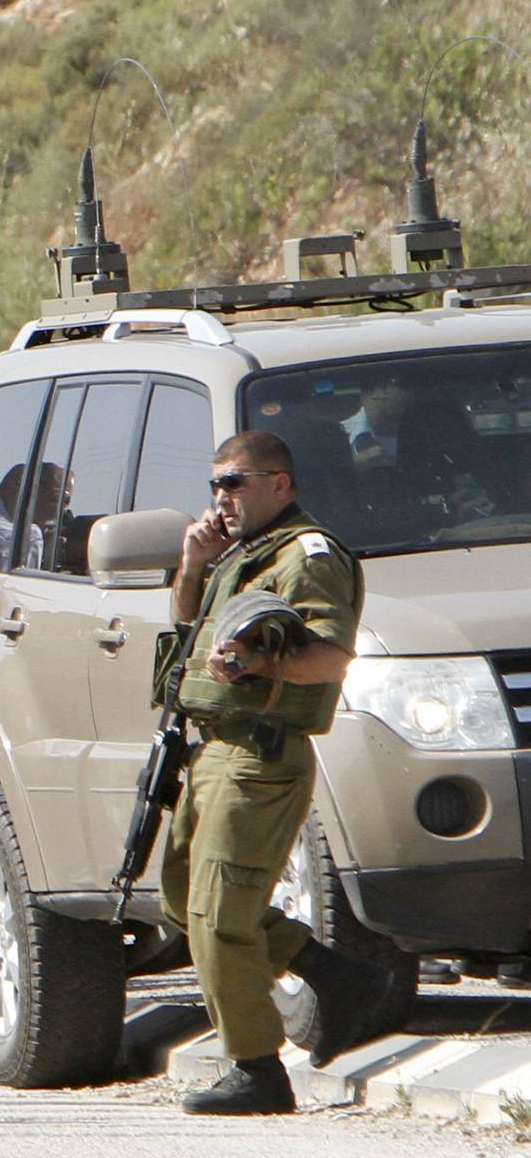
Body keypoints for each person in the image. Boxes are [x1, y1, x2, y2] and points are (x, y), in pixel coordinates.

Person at [161, 431, 406, 1114]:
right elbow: (188, 634)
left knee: (218, 917)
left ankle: (257, 1069)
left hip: (259, 756)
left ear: (281, 484)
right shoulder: (239, 555)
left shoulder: (308, 556)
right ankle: (332, 973)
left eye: (235, 482)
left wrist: (260, 666)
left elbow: (330, 656)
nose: (222, 497)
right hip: (213, 749)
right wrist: (192, 564)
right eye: (215, 484)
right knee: (184, 900)